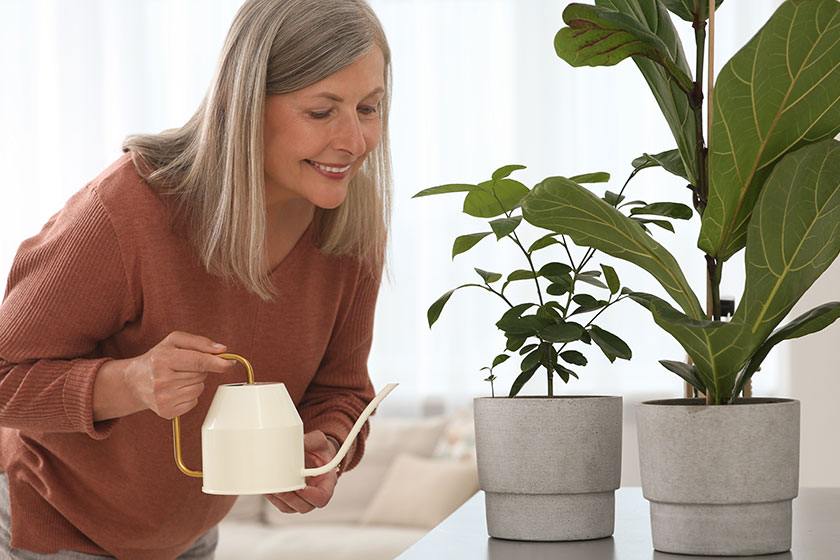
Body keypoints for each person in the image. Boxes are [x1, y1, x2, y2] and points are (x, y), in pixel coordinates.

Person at [0, 0, 392, 557]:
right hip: (55, 523)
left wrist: (323, 446)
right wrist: (131, 381)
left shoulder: (350, 223)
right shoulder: (127, 210)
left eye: (369, 107)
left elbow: (341, 390)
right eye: (321, 111)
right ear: (243, 102)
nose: (355, 140)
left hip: (190, 535)